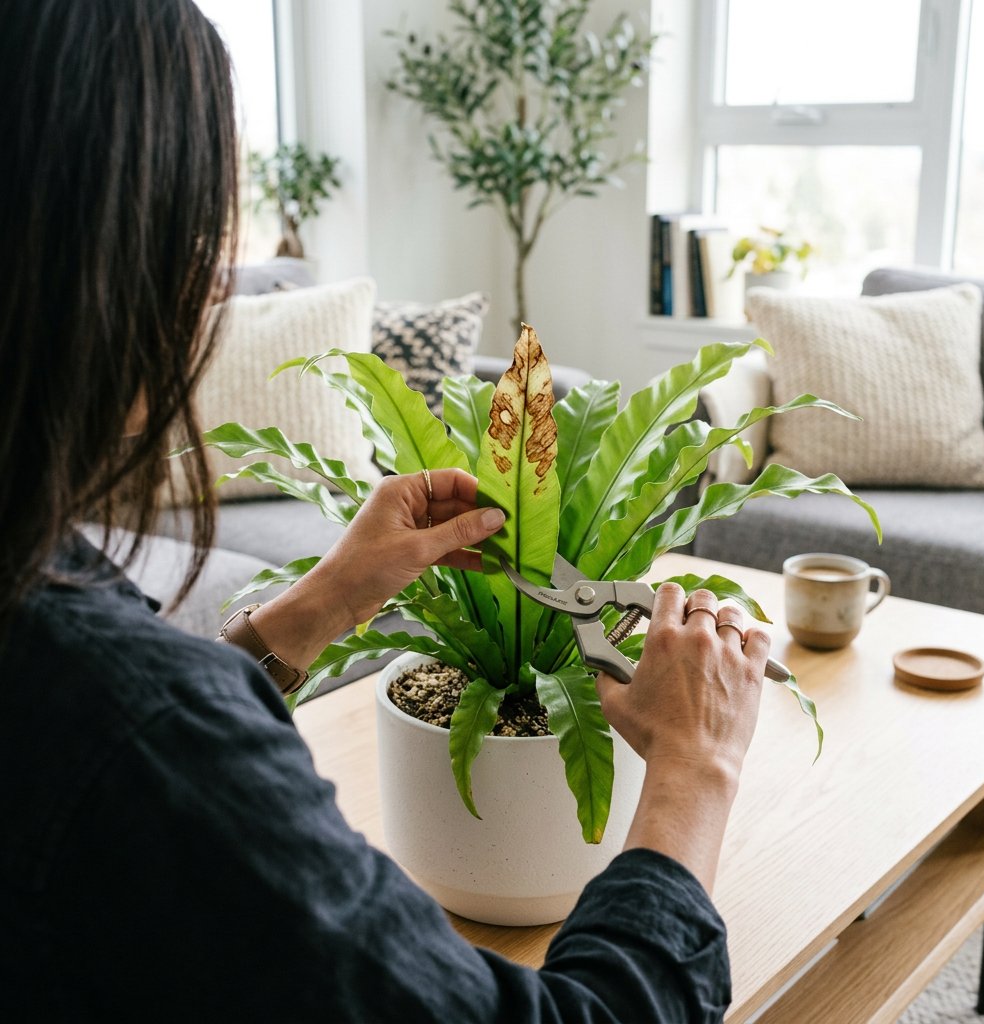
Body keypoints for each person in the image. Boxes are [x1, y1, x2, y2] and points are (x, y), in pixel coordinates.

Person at [0, 2, 770, 1020]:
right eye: (196, 239)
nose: (207, 290)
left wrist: (321, 603)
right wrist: (696, 769)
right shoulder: (144, 725)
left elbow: (112, 758)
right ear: (100, 269)